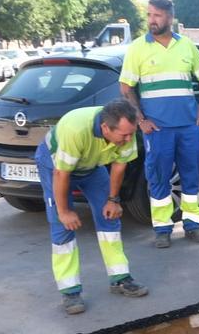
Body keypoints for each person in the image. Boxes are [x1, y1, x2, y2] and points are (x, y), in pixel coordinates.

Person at [33, 100, 148, 314]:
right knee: (62, 225)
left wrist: (113, 200)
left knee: (110, 216)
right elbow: (62, 174)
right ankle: (70, 291)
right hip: (55, 167)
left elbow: (119, 165)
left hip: (92, 166)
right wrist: (64, 211)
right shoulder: (76, 129)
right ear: (105, 128)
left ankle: (120, 278)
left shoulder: (126, 131)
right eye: (124, 135)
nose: (129, 139)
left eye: (131, 134)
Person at [119, 0, 199, 248]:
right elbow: (126, 87)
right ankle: (162, 229)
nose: (152, 20)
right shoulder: (138, 48)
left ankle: (193, 225)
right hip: (158, 128)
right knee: (159, 177)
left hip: (188, 126)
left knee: (191, 176)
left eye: (157, 15)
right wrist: (141, 120)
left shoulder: (186, 46)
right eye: (150, 15)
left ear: (170, 18)